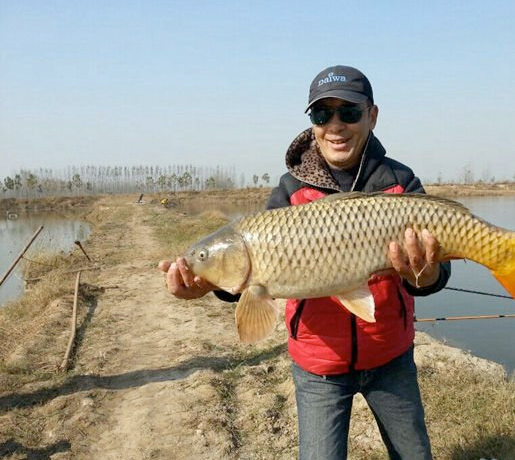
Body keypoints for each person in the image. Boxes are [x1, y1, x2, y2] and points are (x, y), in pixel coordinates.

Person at [159, 65, 452, 460]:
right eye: (322, 114)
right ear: (312, 123)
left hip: (391, 355)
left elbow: (433, 277)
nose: (336, 125)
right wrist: (207, 283)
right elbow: (247, 284)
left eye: (348, 113)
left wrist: (425, 270)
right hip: (319, 365)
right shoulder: (290, 190)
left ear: (372, 116)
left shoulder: (399, 180)